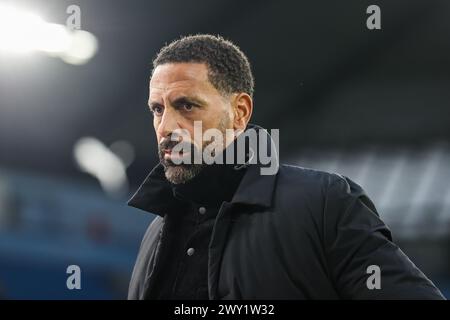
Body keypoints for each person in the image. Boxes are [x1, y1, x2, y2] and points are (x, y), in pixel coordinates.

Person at [127, 34, 444, 300]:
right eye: (157, 109)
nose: (166, 126)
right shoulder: (155, 234)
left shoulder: (323, 204)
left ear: (239, 113)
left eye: (186, 105)